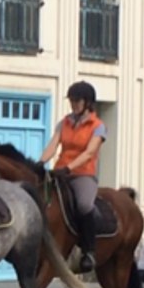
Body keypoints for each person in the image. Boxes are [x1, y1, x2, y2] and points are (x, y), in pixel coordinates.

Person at [39, 81, 106, 272]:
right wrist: (40, 162)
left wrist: (69, 168)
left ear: (88, 103)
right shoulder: (64, 123)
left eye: (77, 101)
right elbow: (53, 145)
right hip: (60, 172)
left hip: (82, 174)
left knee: (84, 205)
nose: (73, 104)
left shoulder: (98, 126)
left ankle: (88, 251)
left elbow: (89, 152)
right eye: (72, 101)